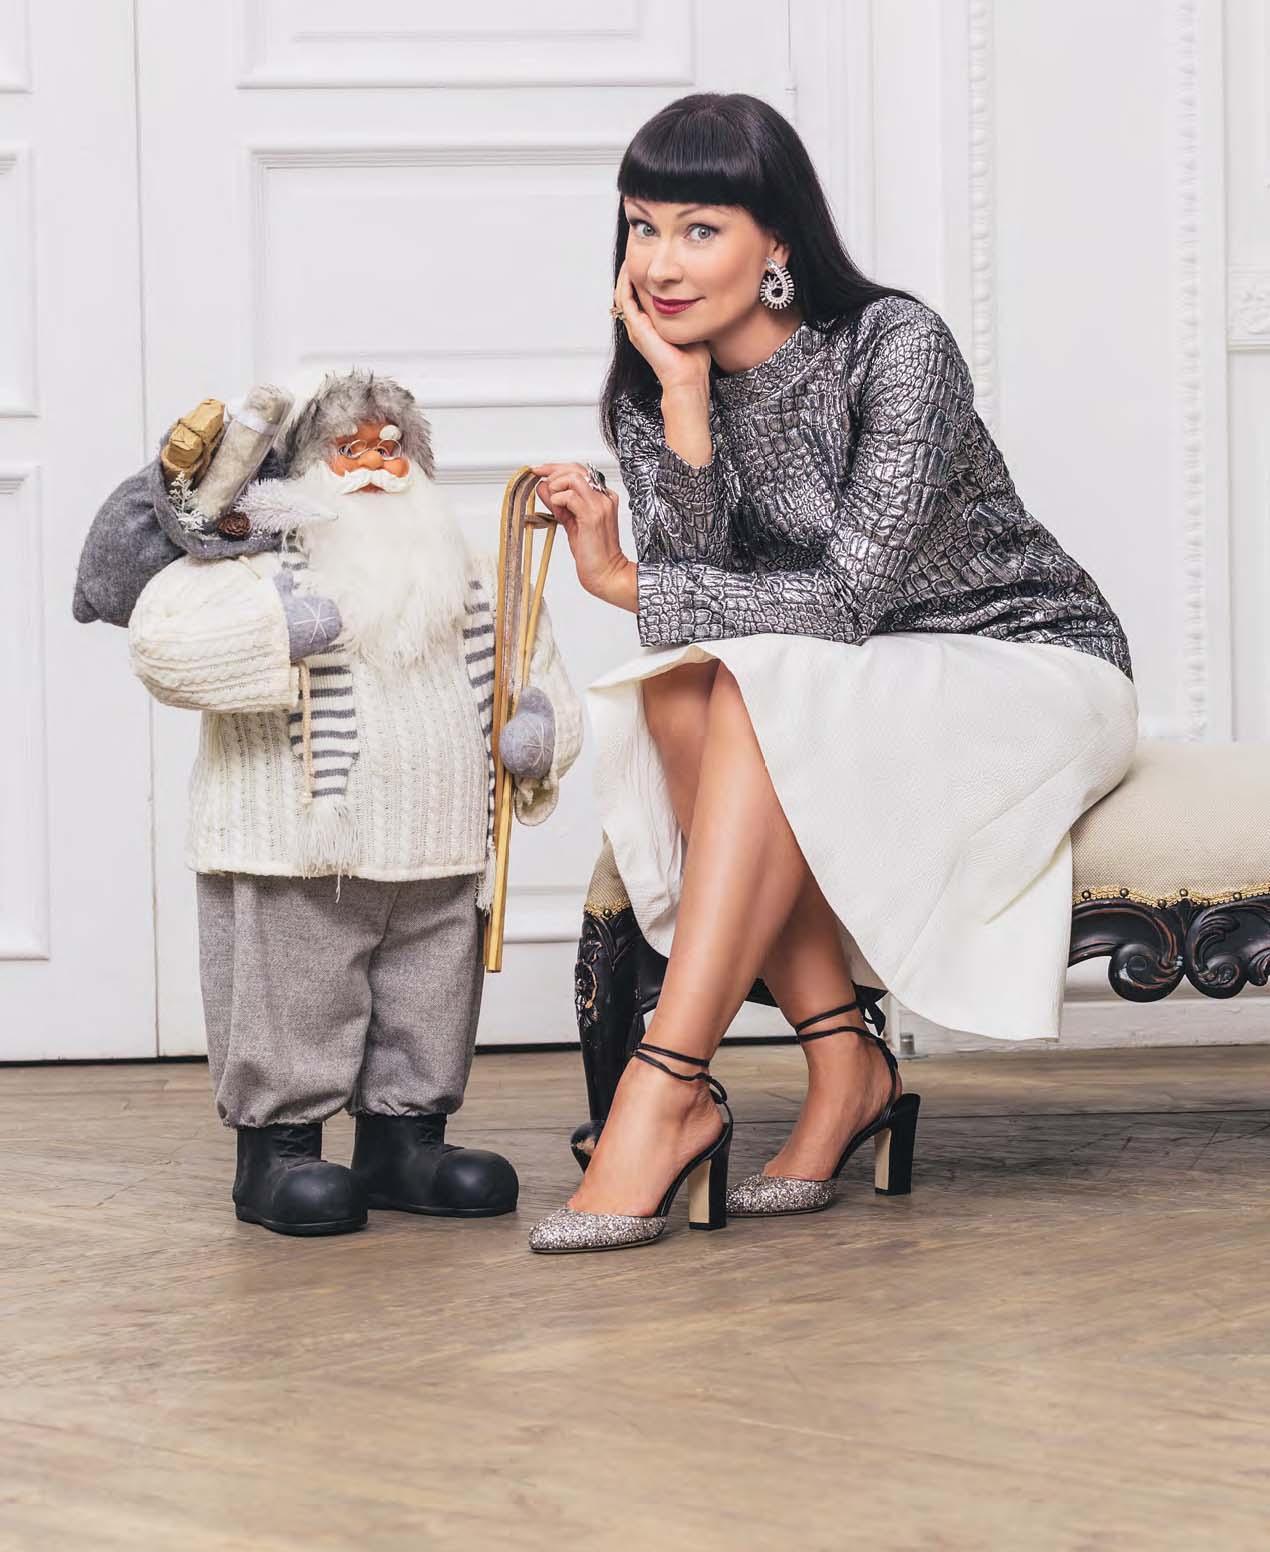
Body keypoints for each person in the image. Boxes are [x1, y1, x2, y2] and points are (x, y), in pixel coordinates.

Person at [526, 92, 1137, 1255]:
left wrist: (621, 580)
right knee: (684, 683)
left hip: (1023, 658)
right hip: (844, 681)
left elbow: (846, 600)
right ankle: (844, 1059)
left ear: (777, 242)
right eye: (641, 226)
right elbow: (705, 618)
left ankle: (667, 1081)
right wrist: (687, 403)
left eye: (699, 229)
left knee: (747, 682)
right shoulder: (654, 388)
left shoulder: (894, 345)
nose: (659, 263)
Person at [113, 369, 584, 1236]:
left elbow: (533, 664)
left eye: (390, 447)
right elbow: (162, 646)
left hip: (441, 844)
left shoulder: (471, 572)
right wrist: (276, 633)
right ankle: (278, 1152)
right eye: (348, 447)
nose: (373, 465)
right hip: (298, 850)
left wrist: (542, 732)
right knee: (296, 996)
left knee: (426, 998)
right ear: (304, 466)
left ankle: (406, 1140)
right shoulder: (255, 565)